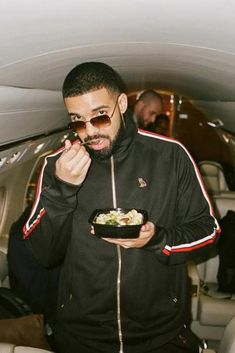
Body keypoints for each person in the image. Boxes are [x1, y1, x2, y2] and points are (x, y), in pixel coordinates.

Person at [23, 62, 220, 353]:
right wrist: (63, 191)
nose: (89, 132)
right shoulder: (57, 165)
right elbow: (44, 254)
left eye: (100, 117)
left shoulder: (170, 156)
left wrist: (158, 240)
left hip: (159, 336)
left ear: (123, 104)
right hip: (80, 337)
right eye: (77, 121)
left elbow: (209, 233)